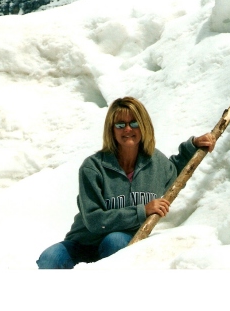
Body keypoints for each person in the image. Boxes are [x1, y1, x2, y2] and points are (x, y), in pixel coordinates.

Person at [36, 96, 216, 269]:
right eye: (120, 124)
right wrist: (142, 210)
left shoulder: (156, 163)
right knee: (49, 258)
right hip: (83, 244)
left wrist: (194, 146)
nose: (127, 129)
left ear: (144, 126)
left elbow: (176, 172)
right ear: (111, 130)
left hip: (122, 243)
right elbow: (94, 219)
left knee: (114, 240)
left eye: (134, 123)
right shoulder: (93, 167)